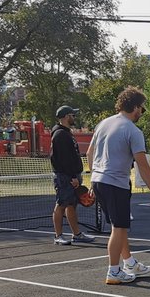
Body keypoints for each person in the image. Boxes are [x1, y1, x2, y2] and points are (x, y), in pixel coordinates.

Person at [86, 87, 150, 285]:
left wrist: (93, 178)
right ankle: (114, 271)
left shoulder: (104, 123)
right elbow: (142, 164)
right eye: (142, 109)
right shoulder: (133, 131)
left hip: (99, 181)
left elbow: (89, 153)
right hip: (115, 184)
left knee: (118, 226)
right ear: (136, 107)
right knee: (119, 227)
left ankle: (129, 263)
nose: (142, 113)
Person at [49, 105, 95, 245]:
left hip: (71, 175)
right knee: (61, 204)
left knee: (72, 205)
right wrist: (72, 177)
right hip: (65, 177)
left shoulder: (65, 133)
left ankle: (77, 234)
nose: (74, 117)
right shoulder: (60, 134)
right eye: (72, 115)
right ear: (65, 117)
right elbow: (63, 159)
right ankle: (58, 236)